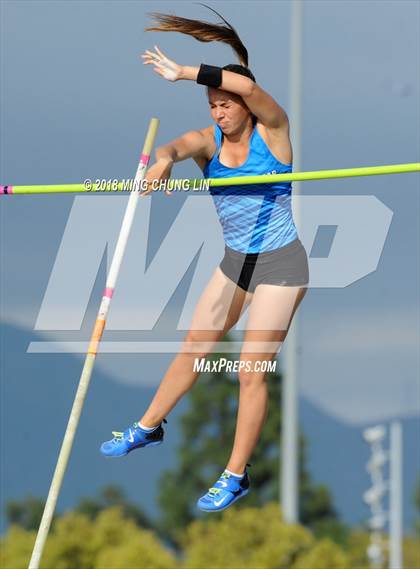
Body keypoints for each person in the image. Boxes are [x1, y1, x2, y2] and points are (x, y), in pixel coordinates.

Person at [100, 6, 309, 513]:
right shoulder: (208, 142)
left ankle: (235, 475)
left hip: (281, 262)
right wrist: (162, 164)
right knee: (194, 345)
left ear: (245, 104)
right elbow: (176, 145)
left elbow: (255, 95)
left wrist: (185, 71)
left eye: (226, 103)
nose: (218, 112)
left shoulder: (274, 130)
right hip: (236, 261)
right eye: (213, 104)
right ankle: (148, 427)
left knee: (249, 369)